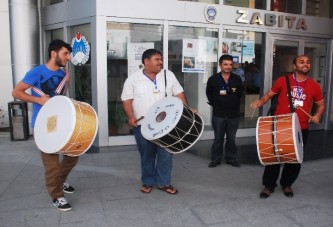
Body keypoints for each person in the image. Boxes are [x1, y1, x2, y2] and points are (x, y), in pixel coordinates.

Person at [12, 39, 77, 211]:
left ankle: (60, 181)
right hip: (43, 124)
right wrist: (38, 99)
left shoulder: (63, 74)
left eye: (69, 54)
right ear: (53, 53)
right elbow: (16, 91)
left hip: (62, 122)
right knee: (52, 164)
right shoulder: (36, 72)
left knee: (73, 154)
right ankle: (57, 195)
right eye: (65, 53)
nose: (68, 57)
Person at [251, 55, 325, 199]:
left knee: (294, 158)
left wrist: (317, 115)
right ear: (294, 66)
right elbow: (269, 95)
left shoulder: (314, 85)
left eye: (308, 62)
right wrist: (261, 101)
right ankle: (269, 185)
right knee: (275, 155)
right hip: (280, 125)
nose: (306, 64)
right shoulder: (283, 80)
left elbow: (321, 104)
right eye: (302, 62)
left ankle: (287, 184)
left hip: (301, 127)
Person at [121, 49, 192, 195]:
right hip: (143, 125)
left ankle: (163, 183)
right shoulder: (133, 79)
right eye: (157, 59)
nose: (161, 62)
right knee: (147, 155)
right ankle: (147, 182)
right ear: (146, 62)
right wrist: (130, 116)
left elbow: (179, 94)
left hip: (166, 125)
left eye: (161, 59)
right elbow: (127, 99)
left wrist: (186, 111)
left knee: (166, 154)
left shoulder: (168, 75)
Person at [206, 54, 243, 168]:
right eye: (225, 64)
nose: (228, 67)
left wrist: (232, 101)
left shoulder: (237, 79)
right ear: (220, 65)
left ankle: (231, 158)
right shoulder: (213, 79)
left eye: (230, 64)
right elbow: (209, 94)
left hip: (233, 115)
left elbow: (240, 94)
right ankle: (215, 159)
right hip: (219, 114)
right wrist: (217, 104)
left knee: (231, 139)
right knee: (218, 138)